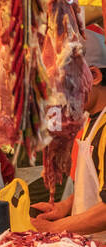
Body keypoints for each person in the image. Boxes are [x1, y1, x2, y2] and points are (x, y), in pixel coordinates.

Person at [33, 31, 106, 233]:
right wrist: (65, 207)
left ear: (94, 76)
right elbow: (101, 189)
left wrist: (55, 229)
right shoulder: (90, 121)